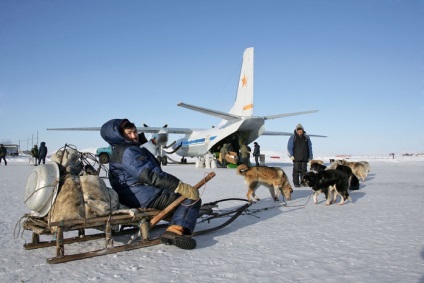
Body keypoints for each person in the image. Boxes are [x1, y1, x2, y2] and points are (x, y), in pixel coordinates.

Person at [100, 118, 201, 250]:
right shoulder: (128, 151)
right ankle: (175, 231)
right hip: (144, 196)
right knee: (191, 199)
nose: (134, 135)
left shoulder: (122, 149)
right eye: (129, 133)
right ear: (119, 136)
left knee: (175, 197)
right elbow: (150, 174)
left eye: (135, 132)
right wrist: (179, 186)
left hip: (133, 194)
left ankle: (176, 218)